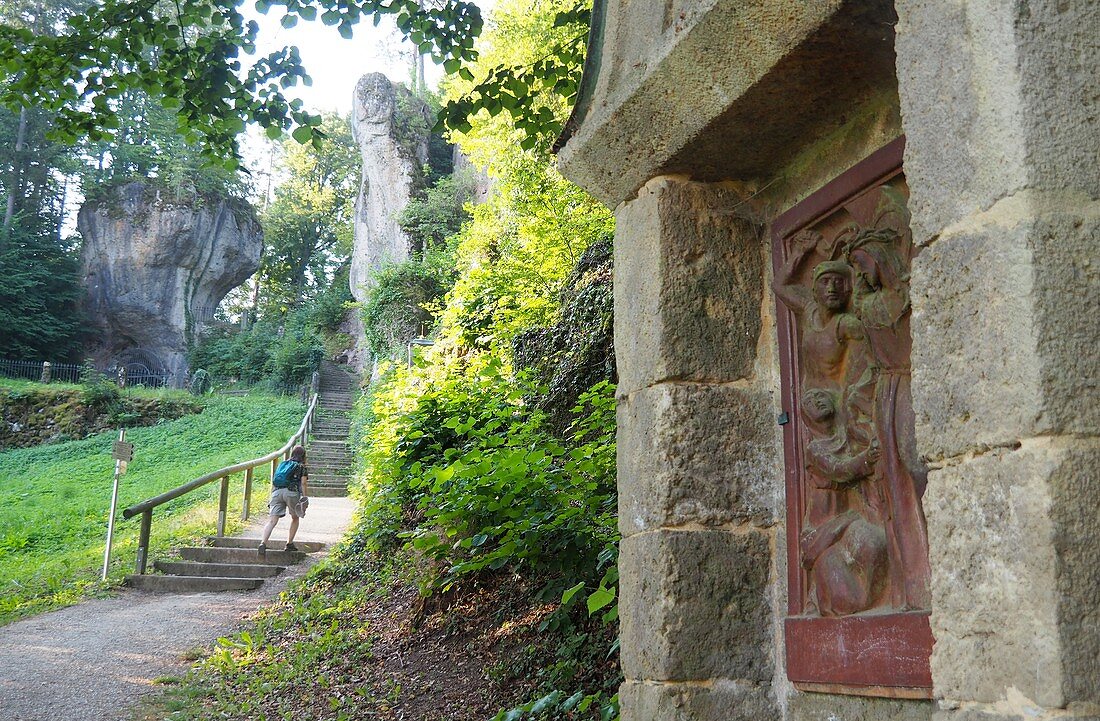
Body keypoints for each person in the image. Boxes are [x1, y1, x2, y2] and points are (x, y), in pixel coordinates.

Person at [259, 445, 309, 554]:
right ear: (303, 455)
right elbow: (303, 483)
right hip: (292, 492)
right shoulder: (301, 467)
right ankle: (289, 543)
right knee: (295, 518)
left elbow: (275, 480)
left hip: (277, 492)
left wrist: (271, 495)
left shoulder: (283, 464)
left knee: (272, 521)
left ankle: (263, 543)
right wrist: (305, 497)